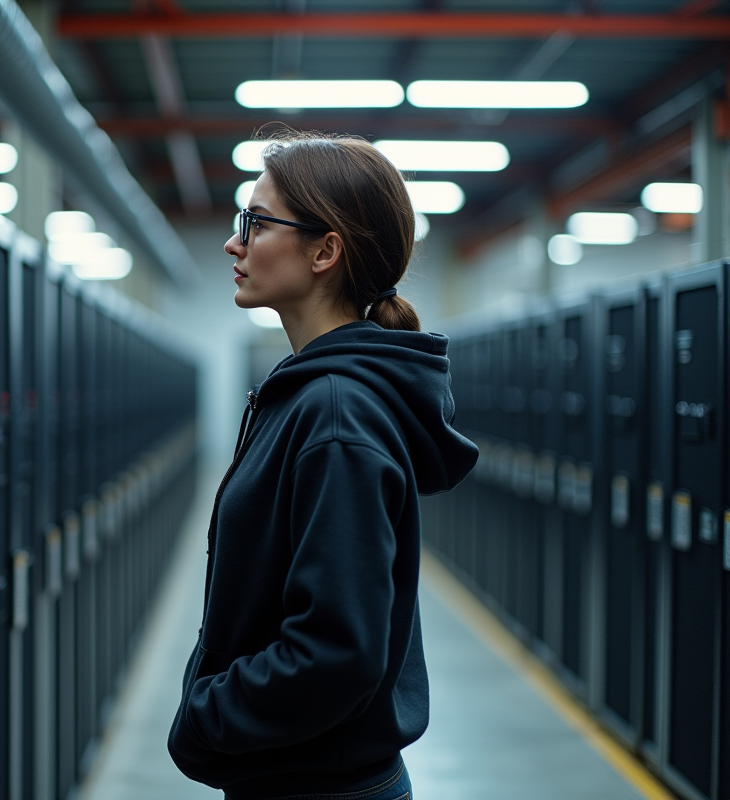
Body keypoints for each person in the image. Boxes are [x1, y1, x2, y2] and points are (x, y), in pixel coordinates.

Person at [167, 133, 478, 800]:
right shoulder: (312, 395)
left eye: (254, 221)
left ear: (325, 251)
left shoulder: (337, 414)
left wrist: (204, 717)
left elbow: (336, 651)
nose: (235, 243)